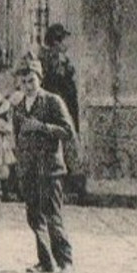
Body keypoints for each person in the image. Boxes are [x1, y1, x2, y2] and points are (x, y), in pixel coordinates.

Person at [14, 56, 77, 273]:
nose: (28, 86)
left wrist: (42, 127)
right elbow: (17, 138)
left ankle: (65, 261)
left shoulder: (52, 101)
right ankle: (45, 261)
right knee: (34, 216)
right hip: (29, 169)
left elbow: (68, 131)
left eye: (32, 80)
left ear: (39, 79)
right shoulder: (19, 107)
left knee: (52, 215)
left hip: (50, 169)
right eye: (23, 82)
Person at [40, 24, 84, 200]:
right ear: (57, 41)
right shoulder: (55, 59)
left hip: (63, 107)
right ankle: (66, 189)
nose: (68, 43)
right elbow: (59, 85)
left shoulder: (54, 58)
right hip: (61, 108)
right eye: (65, 39)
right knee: (64, 146)